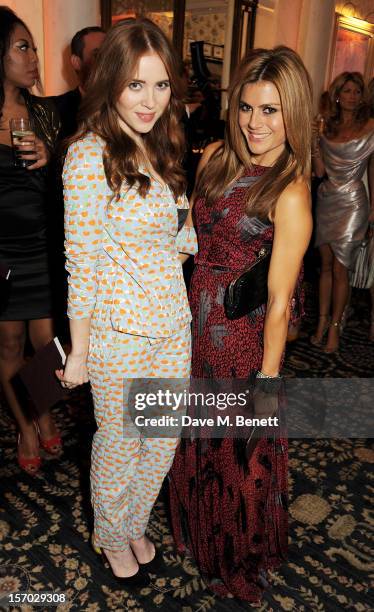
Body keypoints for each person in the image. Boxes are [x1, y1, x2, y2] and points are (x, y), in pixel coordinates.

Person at [169, 46, 312, 602]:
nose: (255, 122)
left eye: (271, 111)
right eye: (248, 108)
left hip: (242, 340)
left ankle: (239, 561)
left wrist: (269, 382)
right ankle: (202, 536)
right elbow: (186, 240)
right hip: (193, 322)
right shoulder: (215, 159)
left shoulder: (291, 190)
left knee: (239, 456)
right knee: (197, 439)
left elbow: (278, 302)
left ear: (292, 113)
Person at [57, 18, 197, 584]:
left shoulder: (162, 146)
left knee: (161, 442)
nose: (149, 100)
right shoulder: (89, 156)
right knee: (120, 442)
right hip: (118, 334)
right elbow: (81, 262)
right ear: (110, 79)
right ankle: (112, 534)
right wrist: (82, 351)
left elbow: (180, 240)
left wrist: (156, 269)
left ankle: (133, 520)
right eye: (136, 85)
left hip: (172, 324)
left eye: (161, 85)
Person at [0, 7, 61, 475]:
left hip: (40, 248)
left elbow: (68, 188)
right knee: (9, 344)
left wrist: (49, 156)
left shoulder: (44, 114)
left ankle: (43, 412)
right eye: (23, 47)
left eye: (34, 47)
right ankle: (25, 425)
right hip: (1, 254)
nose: (33, 57)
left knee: (46, 345)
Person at [312, 72, 374, 352]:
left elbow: (373, 171)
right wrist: (314, 145)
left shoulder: (371, 126)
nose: (352, 96)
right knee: (325, 266)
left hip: (354, 202)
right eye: (347, 90)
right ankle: (322, 322)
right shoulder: (327, 127)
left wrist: (373, 209)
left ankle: (336, 327)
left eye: (356, 91)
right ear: (337, 94)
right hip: (327, 198)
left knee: (341, 268)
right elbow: (320, 172)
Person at [51, 26, 105, 140]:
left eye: (110, 55)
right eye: (98, 55)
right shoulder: (55, 110)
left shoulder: (128, 105)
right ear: (76, 62)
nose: (106, 62)